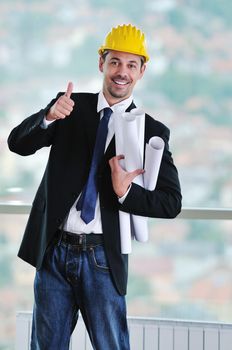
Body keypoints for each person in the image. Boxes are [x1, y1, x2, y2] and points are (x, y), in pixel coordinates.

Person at [8, 24, 182, 350]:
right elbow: (18, 143)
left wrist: (124, 192)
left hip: (104, 257)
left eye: (131, 65)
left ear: (142, 71)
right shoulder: (69, 107)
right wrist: (47, 117)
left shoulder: (150, 130)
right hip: (54, 252)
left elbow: (171, 203)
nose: (122, 72)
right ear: (101, 62)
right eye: (115, 61)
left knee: (111, 345)